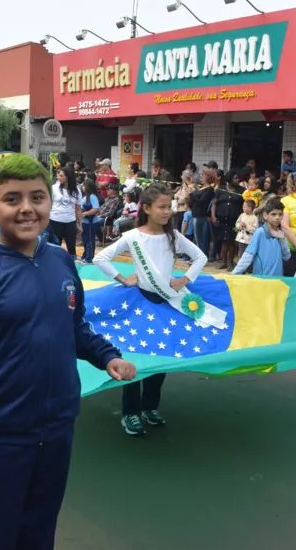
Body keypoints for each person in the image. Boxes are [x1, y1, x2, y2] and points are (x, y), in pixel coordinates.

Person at [0, 154, 136, 550]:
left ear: (50, 202)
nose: (27, 208)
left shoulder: (62, 261)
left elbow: (74, 326)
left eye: (37, 197)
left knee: (40, 530)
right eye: (12, 199)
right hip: (1, 437)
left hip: (58, 427)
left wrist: (107, 356)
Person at [95, 183, 207, 436]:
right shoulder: (133, 237)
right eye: (162, 207)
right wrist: (123, 279)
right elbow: (100, 258)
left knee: (160, 356)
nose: (168, 212)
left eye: (170, 207)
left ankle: (150, 407)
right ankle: (130, 413)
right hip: (140, 306)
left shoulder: (173, 236)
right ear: (146, 208)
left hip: (165, 305)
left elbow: (200, 257)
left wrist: (184, 280)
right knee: (135, 359)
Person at [231, 198, 290, 276]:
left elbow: (286, 257)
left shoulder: (281, 234)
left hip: (277, 279)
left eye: (280, 214)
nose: (277, 217)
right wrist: (234, 274)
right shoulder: (260, 232)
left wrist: (282, 239)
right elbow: (248, 256)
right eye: (273, 214)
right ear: (265, 215)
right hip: (261, 279)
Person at [49, 166, 82, 257]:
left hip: (70, 222)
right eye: (58, 175)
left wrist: (80, 224)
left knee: (71, 248)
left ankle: (72, 267)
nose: (58, 177)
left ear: (68, 177)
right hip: (55, 220)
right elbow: (49, 205)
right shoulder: (53, 188)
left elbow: (78, 209)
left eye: (61, 175)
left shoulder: (77, 191)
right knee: (55, 247)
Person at [80, 179, 101, 264]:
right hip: (85, 222)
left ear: (88, 187)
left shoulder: (92, 197)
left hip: (91, 222)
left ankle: (89, 258)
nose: (82, 187)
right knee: (85, 239)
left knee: (89, 240)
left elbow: (96, 209)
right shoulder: (85, 197)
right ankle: (85, 255)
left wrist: (85, 213)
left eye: (84, 185)